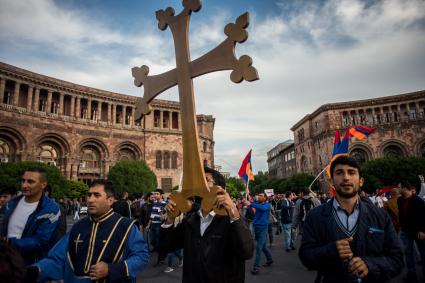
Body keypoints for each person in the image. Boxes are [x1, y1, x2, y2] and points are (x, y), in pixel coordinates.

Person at [299, 155, 404, 282]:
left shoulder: (380, 215)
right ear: (331, 181)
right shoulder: (315, 216)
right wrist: (331, 251)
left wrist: (370, 265)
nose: (346, 177)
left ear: (361, 181)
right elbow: (306, 256)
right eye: (339, 173)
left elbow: (397, 259)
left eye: (351, 172)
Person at [28, 179, 149, 282]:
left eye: (97, 195)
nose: (90, 200)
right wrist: (33, 270)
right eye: (89, 195)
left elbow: (141, 257)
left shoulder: (126, 226)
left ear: (110, 200)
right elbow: (58, 258)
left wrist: (111, 269)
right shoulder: (78, 227)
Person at [159, 167, 254, 283]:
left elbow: (247, 252)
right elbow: (165, 247)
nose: (200, 184)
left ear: (219, 189)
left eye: (206, 180)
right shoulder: (190, 220)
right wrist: (170, 219)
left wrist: (233, 212)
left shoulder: (232, 220)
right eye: (199, 180)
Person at [0, 167, 61, 264]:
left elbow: (40, 241)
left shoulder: (51, 209)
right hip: (5, 260)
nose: (24, 185)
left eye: (30, 182)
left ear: (43, 185)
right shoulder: (11, 203)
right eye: (23, 181)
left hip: (30, 264)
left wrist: (7, 242)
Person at [397, 181, 425, 282]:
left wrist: (422, 230)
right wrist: (401, 226)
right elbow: (401, 214)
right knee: (408, 253)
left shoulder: (418, 200)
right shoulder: (399, 200)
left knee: (423, 252)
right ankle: (412, 274)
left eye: (399, 187)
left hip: (418, 231)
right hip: (406, 231)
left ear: (405, 188)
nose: (398, 189)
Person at [243, 192, 273, 275]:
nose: (259, 197)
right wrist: (248, 194)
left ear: (265, 198)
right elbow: (251, 202)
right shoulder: (256, 203)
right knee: (263, 247)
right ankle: (270, 259)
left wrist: (251, 203)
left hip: (263, 228)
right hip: (256, 227)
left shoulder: (267, 205)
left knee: (259, 248)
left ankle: (256, 267)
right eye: (258, 195)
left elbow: (261, 208)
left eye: (261, 196)